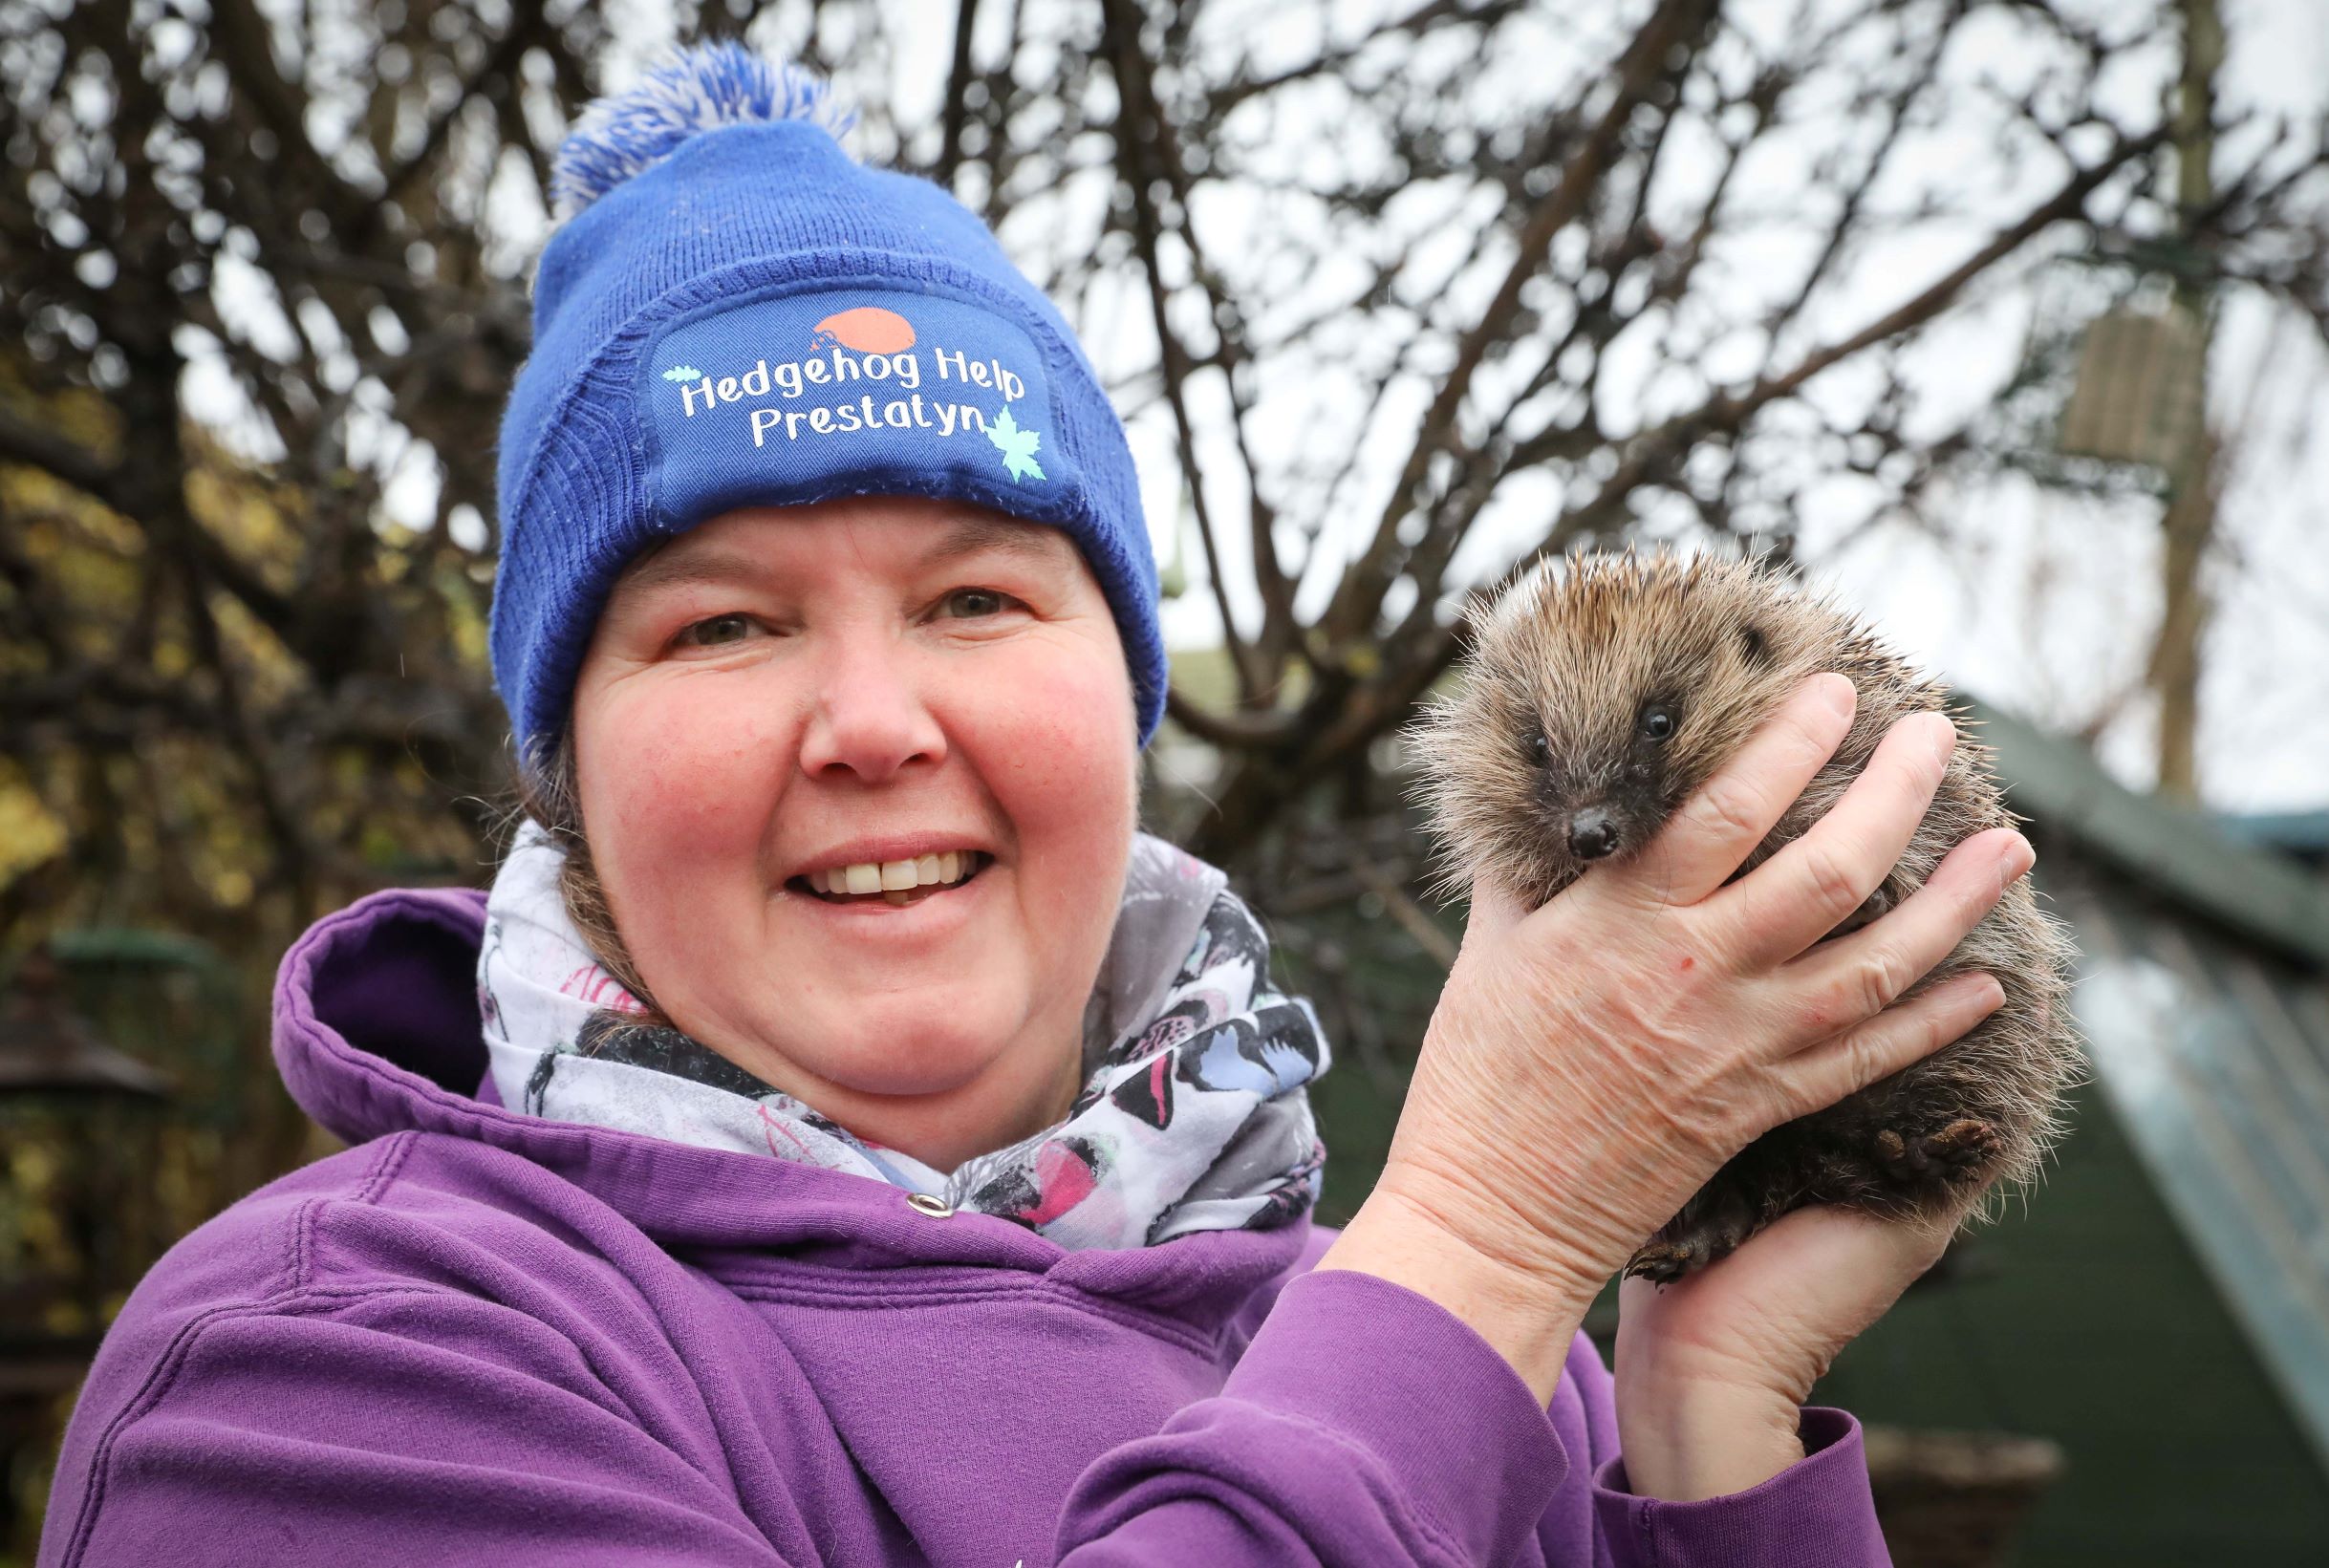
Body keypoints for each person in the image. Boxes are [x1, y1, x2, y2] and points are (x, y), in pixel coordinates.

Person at [36, 43, 2035, 1568]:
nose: (872, 719)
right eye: (723, 626)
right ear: (568, 771)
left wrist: (1706, 1420)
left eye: (980, 596)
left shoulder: (1458, 1353)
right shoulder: (344, 1357)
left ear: (1124, 685)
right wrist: (1491, 1237)